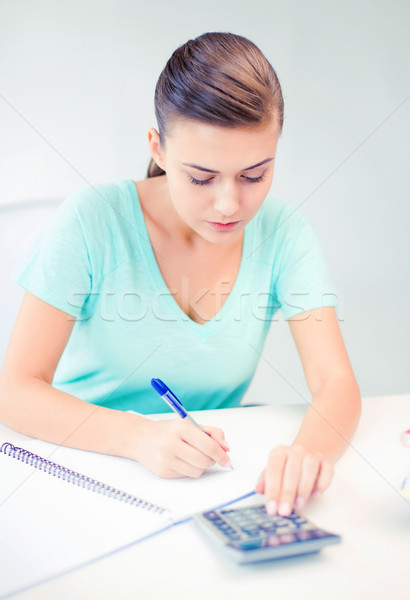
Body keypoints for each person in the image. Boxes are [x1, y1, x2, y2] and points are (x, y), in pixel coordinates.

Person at [0, 32, 361, 518]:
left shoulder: (284, 233)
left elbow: (335, 380)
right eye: (201, 177)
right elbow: (14, 391)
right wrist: (138, 437)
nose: (230, 205)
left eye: (254, 175)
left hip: (204, 483)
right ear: (159, 149)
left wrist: (309, 455)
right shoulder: (91, 219)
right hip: (81, 471)